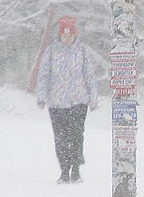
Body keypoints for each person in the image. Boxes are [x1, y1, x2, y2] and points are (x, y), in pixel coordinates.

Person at [33, 16, 102, 183]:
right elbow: (44, 75)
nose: (67, 38)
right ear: (59, 35)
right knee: (61, 137)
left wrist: (93, 98)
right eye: (64, 35)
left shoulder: (82, 51)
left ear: (74, 35)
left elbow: (89, 76)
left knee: (77, 135)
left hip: (79, 101)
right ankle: (64, 170)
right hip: (57, 102)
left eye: (70, 35)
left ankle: (76, 170)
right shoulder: (51, 52)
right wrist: (41, 97)